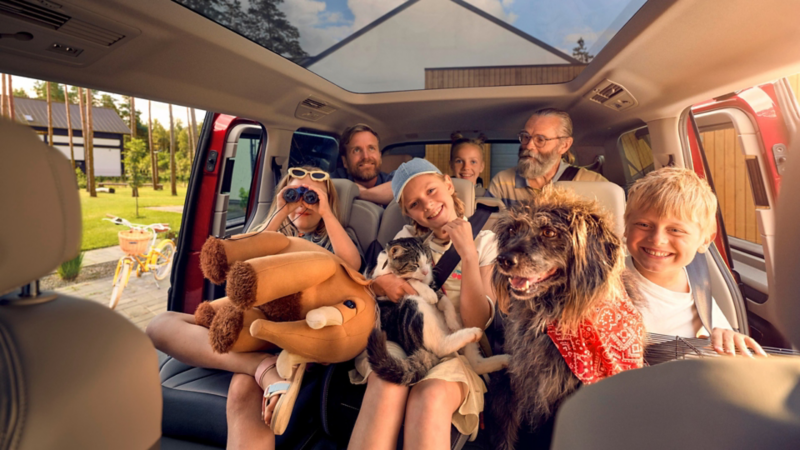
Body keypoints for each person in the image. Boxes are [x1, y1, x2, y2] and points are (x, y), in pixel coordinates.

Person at [146, 166, 362, 450]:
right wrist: (282, 210)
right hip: (249, 327)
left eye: (311, 197)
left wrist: (327, 213)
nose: (302, 203)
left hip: (292, 337)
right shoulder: (277, 236)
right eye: (295, 194)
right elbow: (247, 258)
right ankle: (260, 366)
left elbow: (351, 265)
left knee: (242, 389)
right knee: (159, 325)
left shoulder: (333, 238)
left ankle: (260, 368)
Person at [348, 158, 498, 449]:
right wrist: (380, 284)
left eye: (431, 191)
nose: (427, 206)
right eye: (415, 204)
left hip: (456, 349)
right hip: (402, 338)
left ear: (448, 183)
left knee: (429, 397)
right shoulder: (404, 240)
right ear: (408, 213)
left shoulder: (486, 242)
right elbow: (372, 284)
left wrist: (467, 254)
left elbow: (476, 323)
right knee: (387, 378)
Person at [624, 167, 767, 356]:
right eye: (643, 225)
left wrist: (727, 336)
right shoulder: (604, 287)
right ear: (626, 227)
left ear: (706, 240)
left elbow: (717, 334)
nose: (657, 239)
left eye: (676, 230)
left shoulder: (697, 278)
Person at [487, 108, 606, 207]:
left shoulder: (592, 183)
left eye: (540, 139)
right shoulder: (502, 183)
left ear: (564, 145)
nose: (529, 146)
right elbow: (483, 231)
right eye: (525, 136)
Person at [332, 124, 395, 205]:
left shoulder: (390, 180)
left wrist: (358, 192)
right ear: (345, 161)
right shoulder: (338, 178)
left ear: (379, 156)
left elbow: (404, 187)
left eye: (371, 148)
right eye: (356, 150)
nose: (366, 156)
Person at [449, 132, 487, 197]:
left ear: (481, 167)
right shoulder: (443, 195)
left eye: (473, 162)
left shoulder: (488, 197)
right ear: (451, 165)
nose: (466, 167)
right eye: (459, 161)